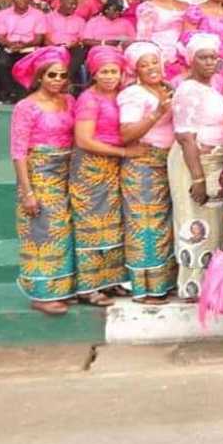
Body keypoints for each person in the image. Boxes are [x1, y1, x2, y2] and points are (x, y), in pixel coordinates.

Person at [70, 46, 140, 305]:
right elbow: (84, 140)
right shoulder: (89, 99)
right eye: (104, 72)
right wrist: (123, 152)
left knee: (113, 225)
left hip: (112, 167)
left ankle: (110, 281)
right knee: (91, 225)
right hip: (91, 167)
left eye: (115, 71)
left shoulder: (121, 95)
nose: (110, 76)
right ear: (94, 74)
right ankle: (88, 287)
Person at [9, 47, 76, 315]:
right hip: (39, 173)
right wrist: (28, 192)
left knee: (64, 230)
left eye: (62, 75)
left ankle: (62, 288)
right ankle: (41, 293)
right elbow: (18, 152)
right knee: (43, 231)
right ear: (40, 77)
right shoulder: (26, 107)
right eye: (51, 75)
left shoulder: (69, 101)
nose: (57, 80)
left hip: (66, 172)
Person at [167, 34, 223, 301]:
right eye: (203, 57)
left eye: (213, 57)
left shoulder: (213, 86)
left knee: (213, 223)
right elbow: (185, 136)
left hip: (213, 161)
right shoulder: (186, 89)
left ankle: (211, 283)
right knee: (194, 221)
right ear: (191, 60)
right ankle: (192, 286)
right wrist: (198, 178)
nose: (210, 62)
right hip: (192, 164)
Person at [118, 42, 176, 303]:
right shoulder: (134, 94)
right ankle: (144, 288)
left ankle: (163, 283)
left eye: (154, 62)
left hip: (168, 162)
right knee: (144, 224)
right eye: (144, 64)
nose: (151, 68)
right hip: (143, 164)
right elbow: (126, 134)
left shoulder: (168, 88)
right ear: (136, 69)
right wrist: (157, 114)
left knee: (164, 224)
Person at [135, 0, 190, 78]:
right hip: (158, 57)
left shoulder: (188, 7)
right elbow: (143, 38)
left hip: (183, 56)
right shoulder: (148, 8)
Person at [0, 0, 47, 101]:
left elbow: (39, 39)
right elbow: (0, 37)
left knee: (30, 63)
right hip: (10, 46)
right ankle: (10, 92)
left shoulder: (38, 14)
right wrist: (10, 45)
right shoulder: (3, 14)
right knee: (1, 62)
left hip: (30, 47)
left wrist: (24, 45)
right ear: (12, 0)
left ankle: (26, 92)